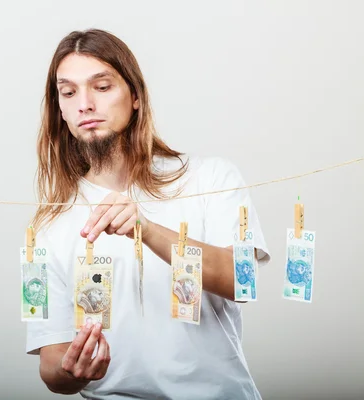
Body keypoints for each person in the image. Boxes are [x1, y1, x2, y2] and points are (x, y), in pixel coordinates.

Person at [26, 28, 270, 400]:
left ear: (135, 96)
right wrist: (72, 371)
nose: (85, 104)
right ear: (60, 108)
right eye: (69, 92)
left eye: (102, 86)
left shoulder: (210, 177)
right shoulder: (50, 226)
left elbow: (243, 280)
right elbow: (52, 366)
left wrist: (147, 229)